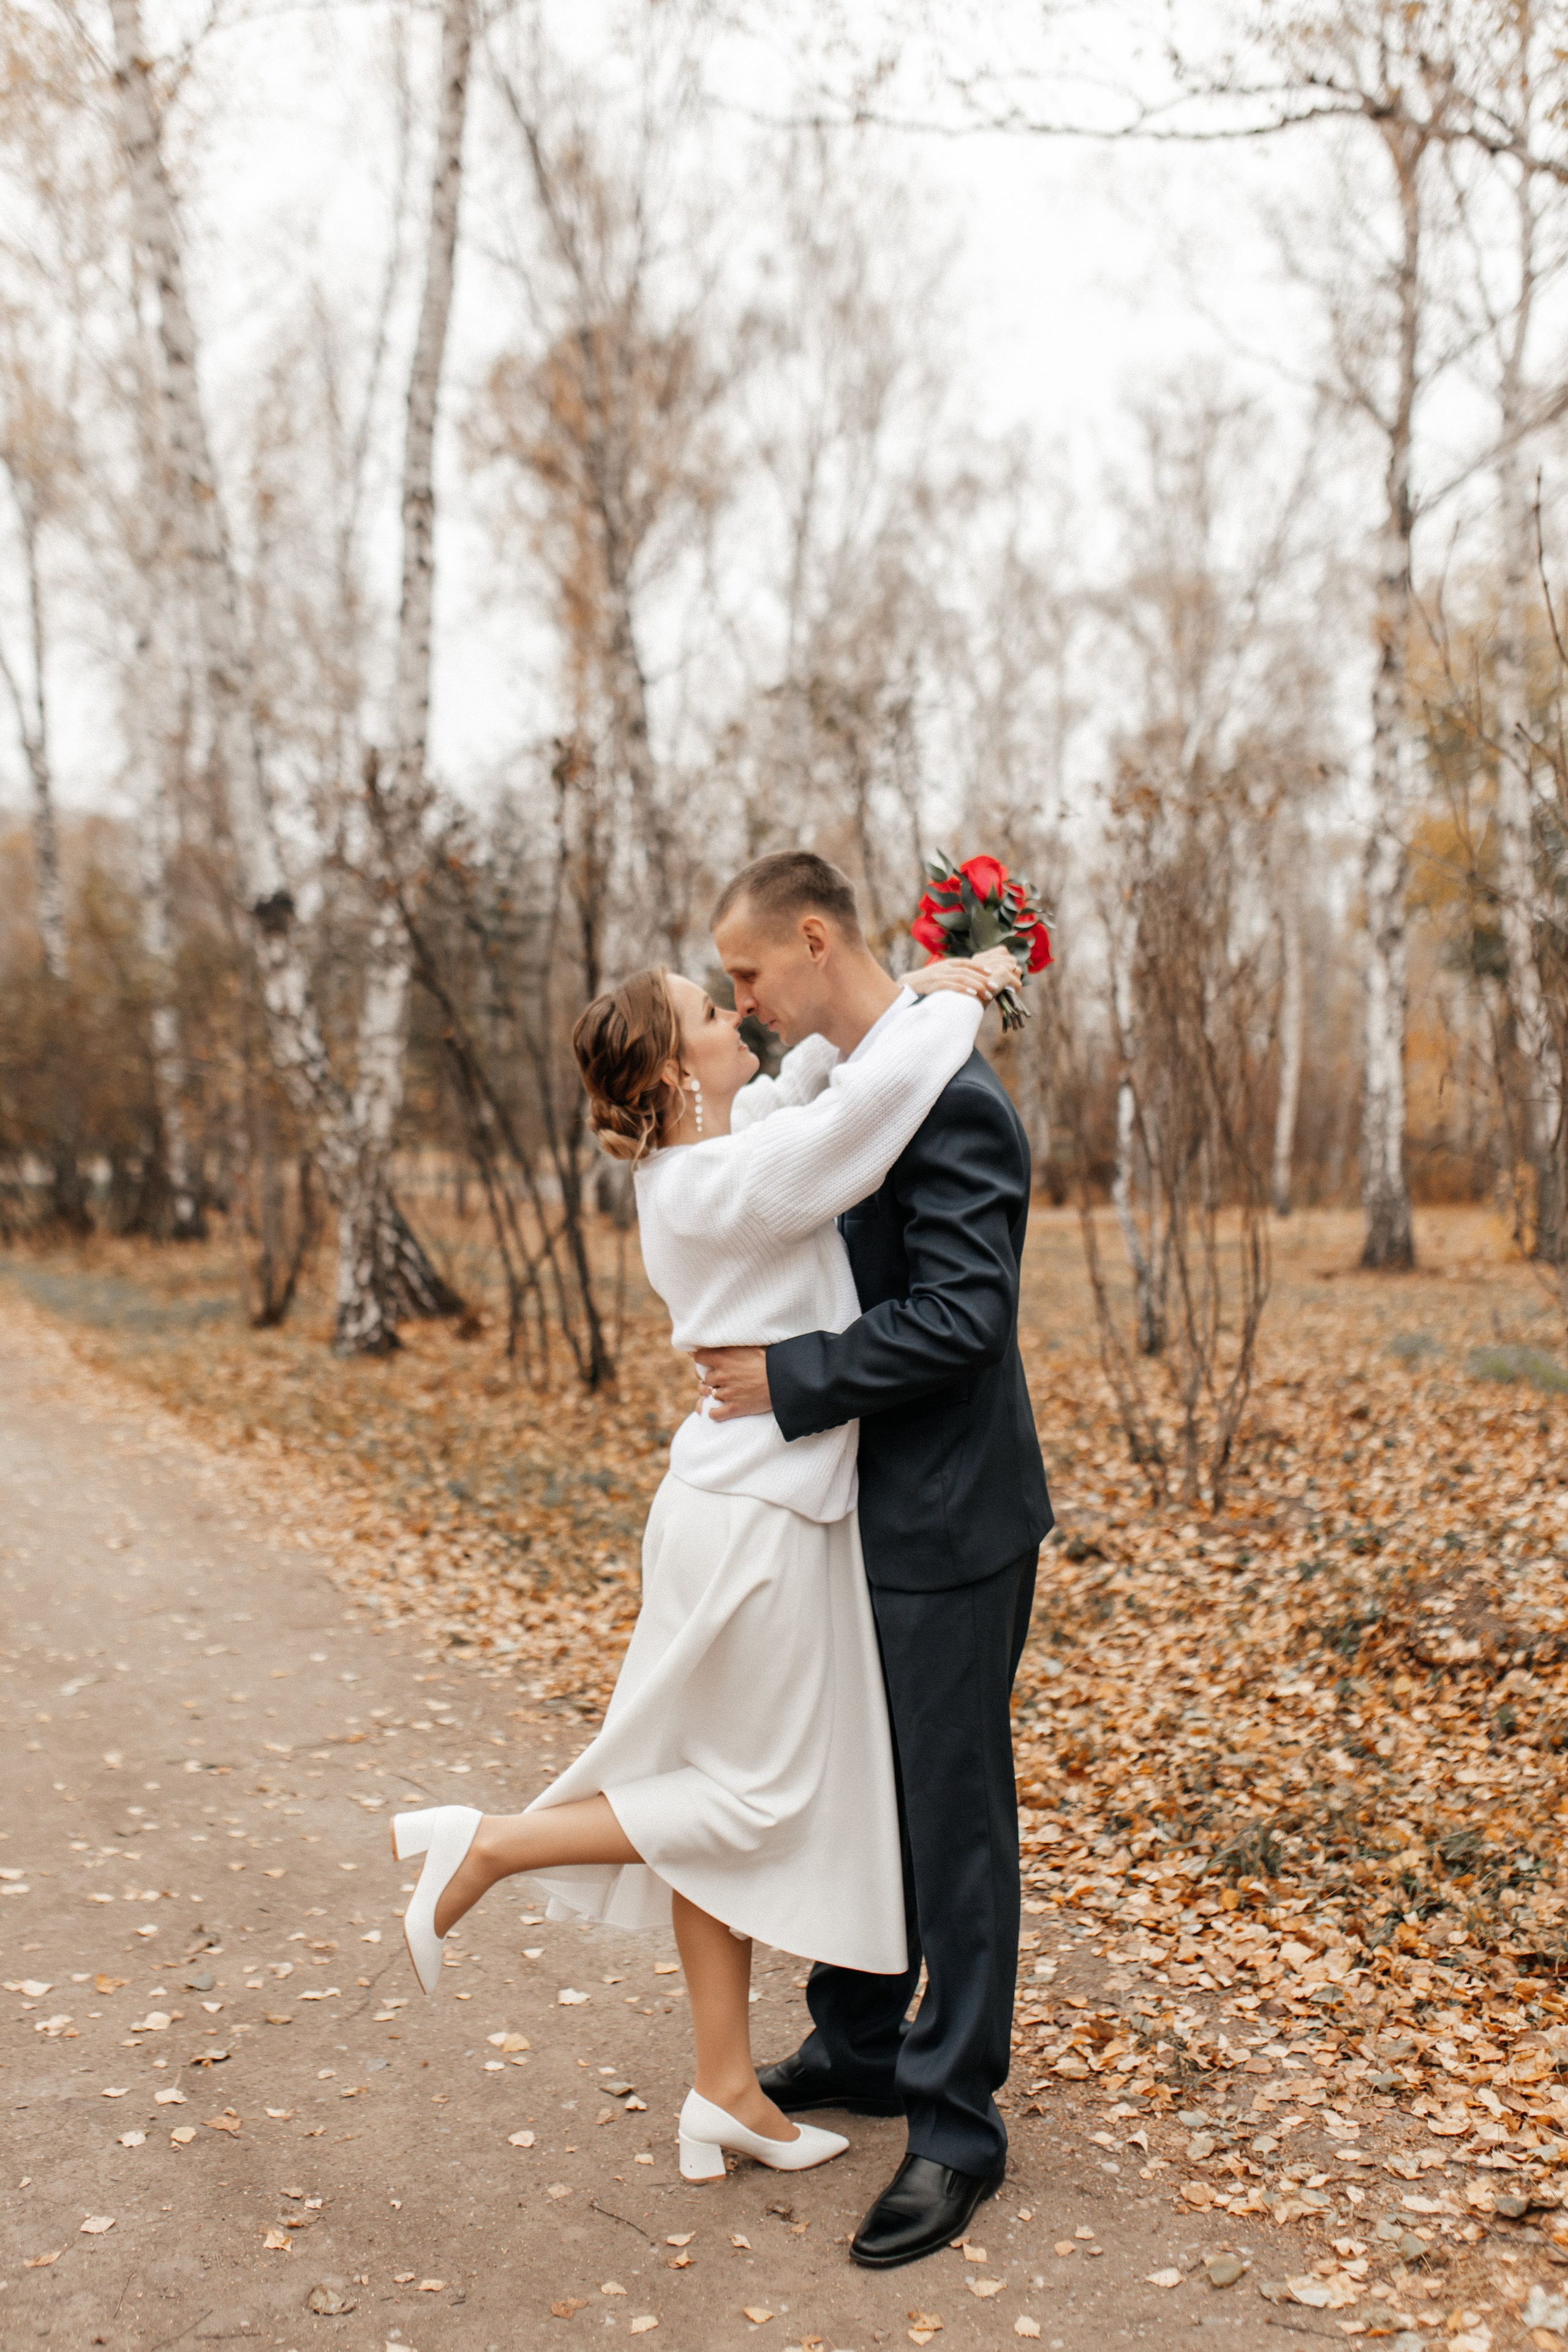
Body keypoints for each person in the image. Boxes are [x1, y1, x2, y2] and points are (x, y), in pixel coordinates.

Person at [388, 940, 1011, 2188]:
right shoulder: (727, 1186)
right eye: (707, 1010)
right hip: (759, 1532)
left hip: (730, 1511)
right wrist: (955, 997)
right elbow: (871, 1107)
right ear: (677, 1071)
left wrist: (894, 981)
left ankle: (726, 2087)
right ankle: (494, 1845)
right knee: (745, 1801)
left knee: (710, 1780)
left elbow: (824, 1073)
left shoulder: (716, 1158)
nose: (738, 1013)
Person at [696, 849, 1054, 2269]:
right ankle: (853, 2041)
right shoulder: (848, 1097)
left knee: (950, 1821)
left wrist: (787, 1378)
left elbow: (963, 1317)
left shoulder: (954, 1103)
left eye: (744, 976)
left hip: (950, 1522)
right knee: (856, 1785)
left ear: (809, 938)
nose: (741, 1002)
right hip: (847, 1507)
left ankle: (956, 2126)